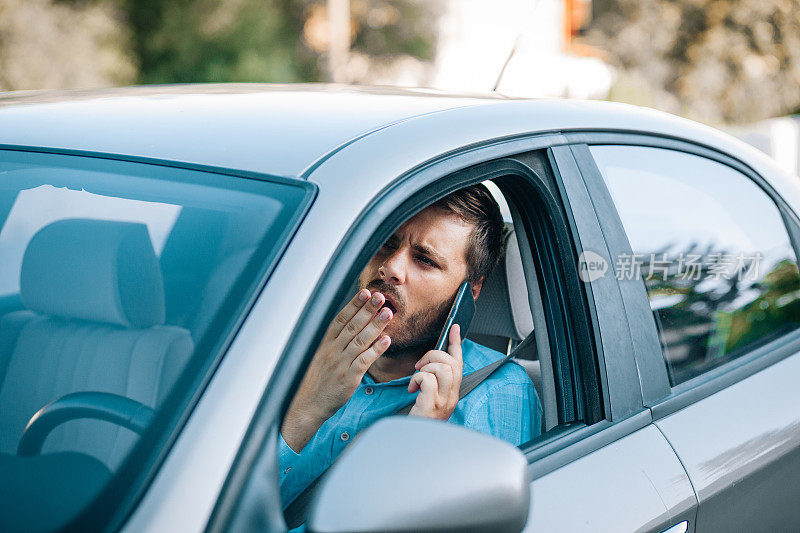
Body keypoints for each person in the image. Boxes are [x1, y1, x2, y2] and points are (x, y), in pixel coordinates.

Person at [279, 184, 542, 509]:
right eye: (387, 244)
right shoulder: (291, 351)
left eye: (425, 260)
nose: (390, 267)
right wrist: (307, 409)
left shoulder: (495, 393)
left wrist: (419, 443)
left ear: (469, 292)